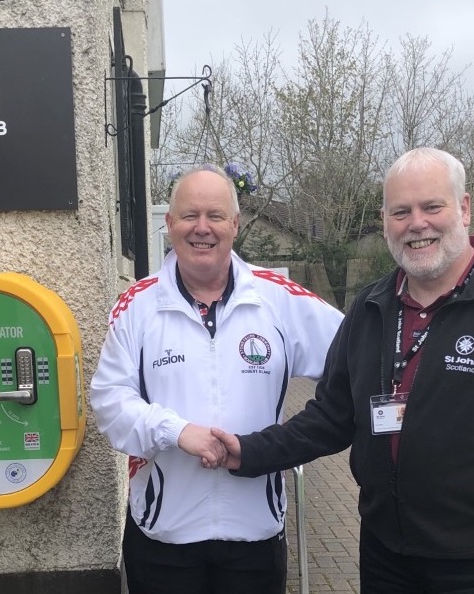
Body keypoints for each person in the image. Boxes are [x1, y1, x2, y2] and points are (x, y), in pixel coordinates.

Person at [212, 148, 474, 594]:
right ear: (385, 221)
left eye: (431, 206)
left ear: (465, 208)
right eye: (401, 212)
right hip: (387, 556)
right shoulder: (371, 307)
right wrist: (248, 451)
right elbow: (331, 416)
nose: (417, 223)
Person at [89, 164, 345, 594]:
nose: (202, 228)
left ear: (235, 224)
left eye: (215, 215)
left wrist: (284, 443)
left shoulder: (277, 299)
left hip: (255, 536)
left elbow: (354, 363)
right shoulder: (136, 305)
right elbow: (109, 403)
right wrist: (176, 431)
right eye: (189, 216)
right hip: (163, 536)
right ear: (170, 225)